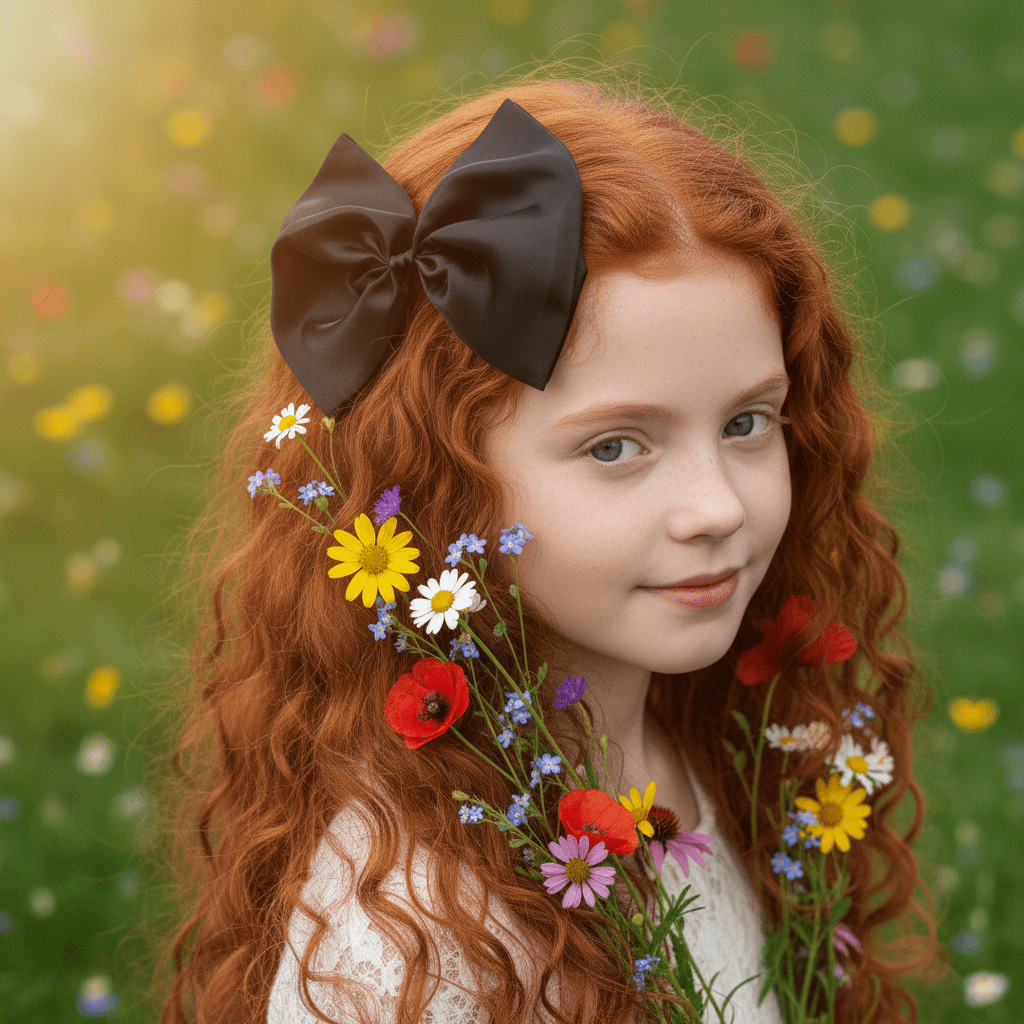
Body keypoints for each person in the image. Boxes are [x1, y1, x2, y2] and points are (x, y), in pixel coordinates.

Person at [158, 75, 939, 1024]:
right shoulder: (414, 940)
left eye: (747, 422)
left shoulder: (715, 746)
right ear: (438, 481)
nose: (716, 508)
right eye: (615, 447)